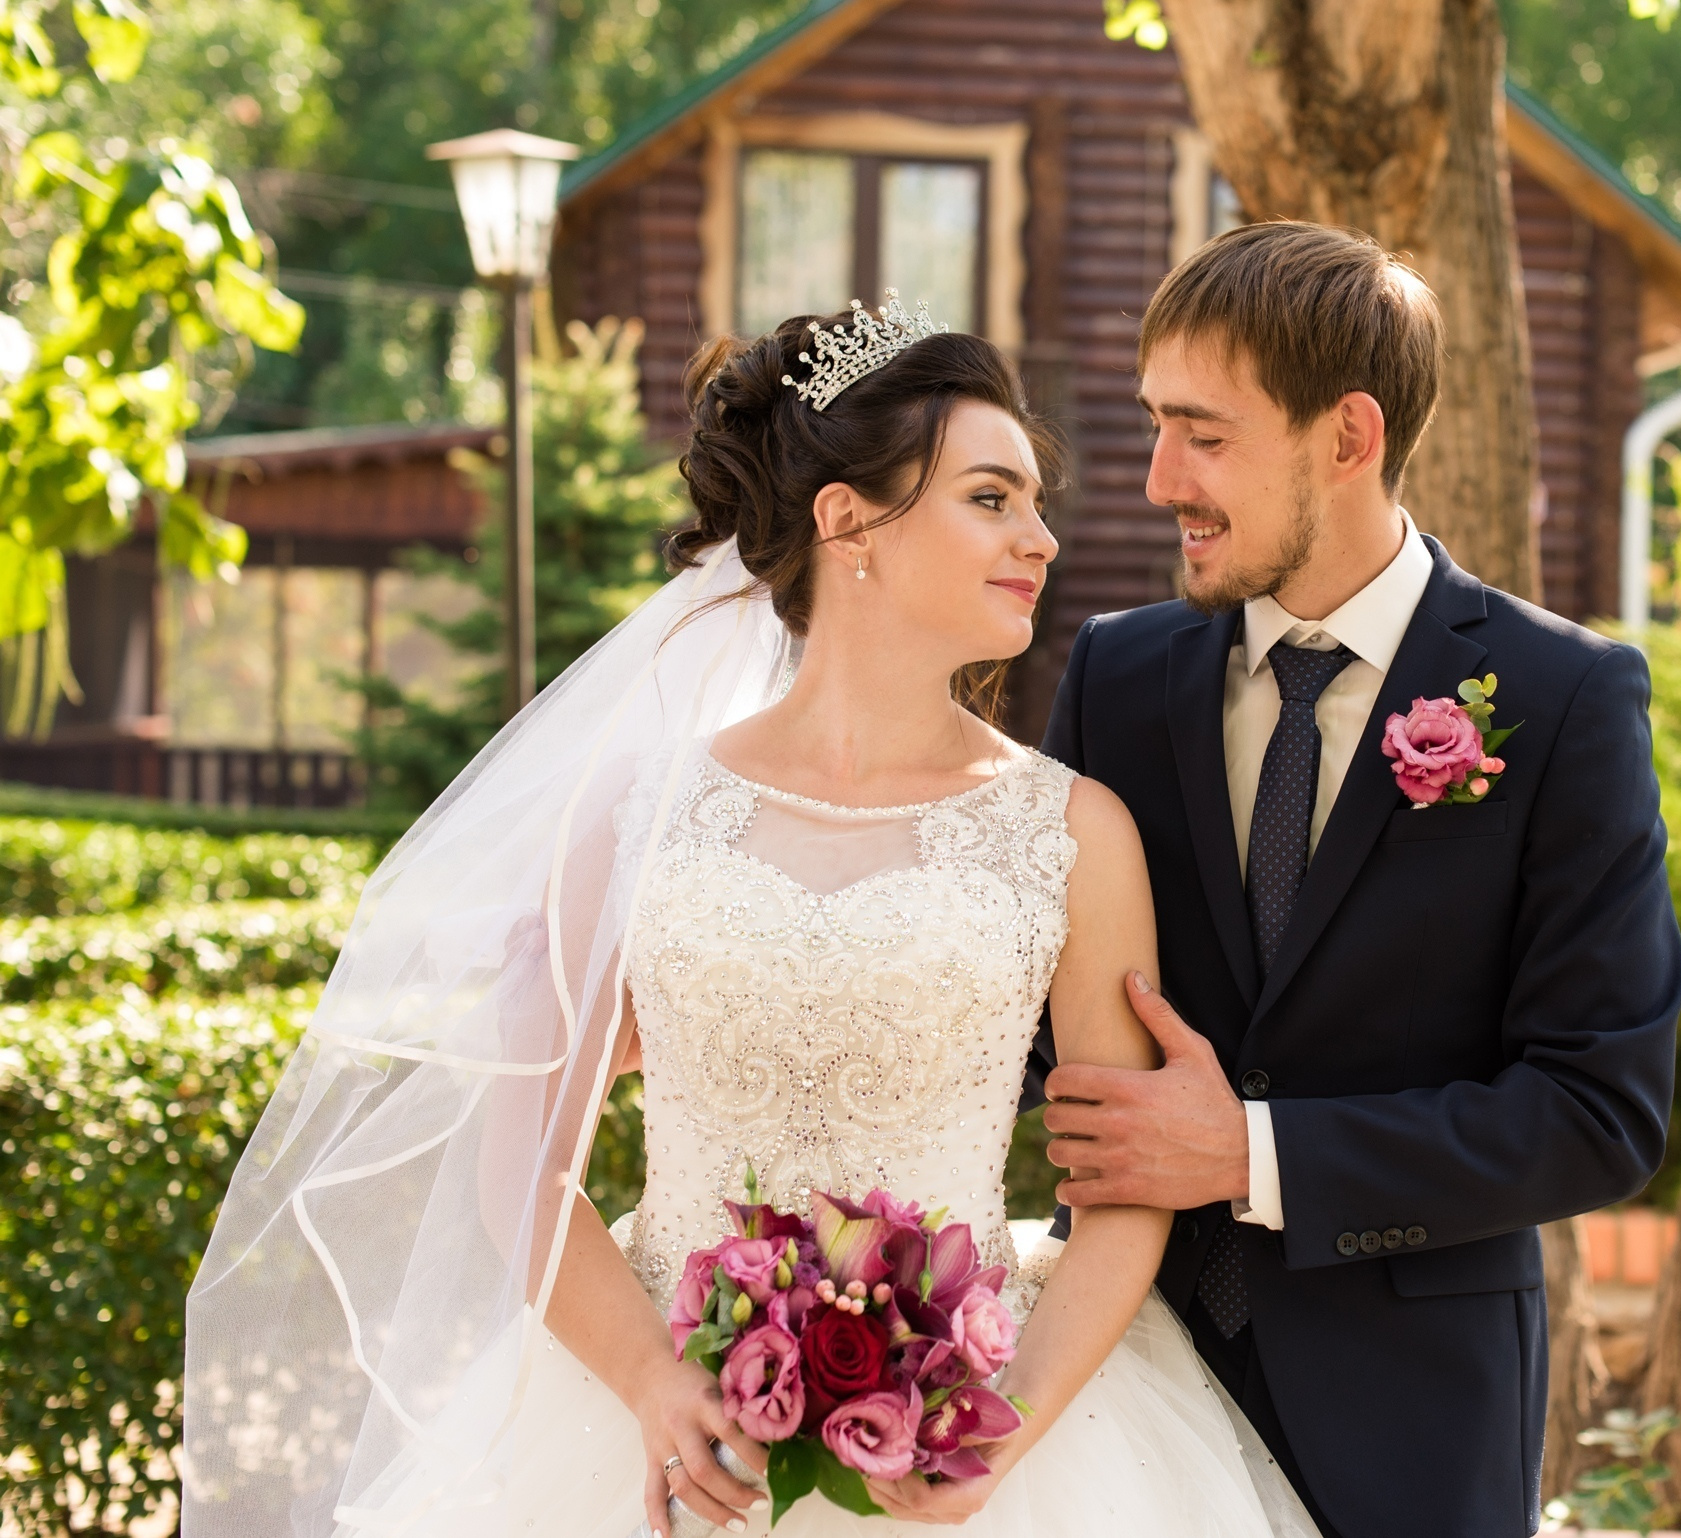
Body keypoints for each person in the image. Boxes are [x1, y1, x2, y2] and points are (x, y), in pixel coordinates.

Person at [182, 298, 1316, 1538]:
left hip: (990, 1433)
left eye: (1037, 503)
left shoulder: (1075, 833)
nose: (1042, 539)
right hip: (649, 1439)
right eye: (993, 499)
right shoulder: (638, 813)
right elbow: (518, 1155)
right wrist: (653, 1388)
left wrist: (1005, 1432)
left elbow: (1123, 1187)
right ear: (848, 524)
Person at [1035, 222, 1681, 1538]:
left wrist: (1252, 1151)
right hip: (1116, 1400)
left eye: (1204, 434)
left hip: (1413, 1424)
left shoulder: (1563, 699)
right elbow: (1000, 1003)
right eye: (1155, 423)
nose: (1160, 477)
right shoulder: (1115, 677)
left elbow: (1598, 1106)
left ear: (1347, 437)